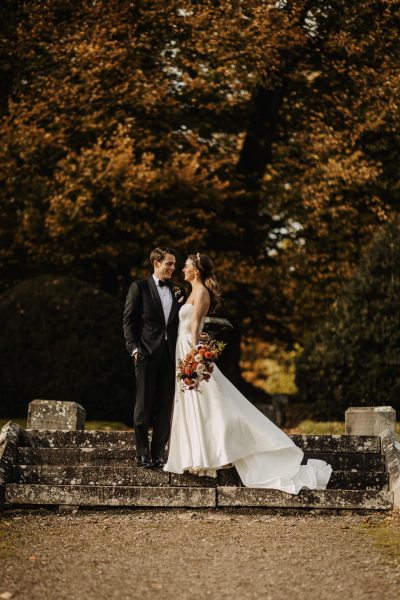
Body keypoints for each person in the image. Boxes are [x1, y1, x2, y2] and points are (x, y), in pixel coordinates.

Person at [164, 253, 332, 494]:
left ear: (197, 271)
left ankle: (219, 449)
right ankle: (197, 455)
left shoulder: (201, 293)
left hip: (189, 350)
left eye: (187, 266)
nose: (183, 270)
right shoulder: (189, 291)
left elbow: (196, 325)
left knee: (209, 400)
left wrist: (194, 355)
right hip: (183, 348)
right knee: (195, 401)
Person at [123, 247, 186, 468]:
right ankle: (142, 453)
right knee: (143, 405)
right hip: (146, 354)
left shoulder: (179, 291)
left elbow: (184, 322)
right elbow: (129, 320)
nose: (173, 268)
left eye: (174, 264)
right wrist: (134, 348)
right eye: (169, 263)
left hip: (171, 356)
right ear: (156, 263)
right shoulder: (138, 287)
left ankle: (158, 453)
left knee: (165, 406)